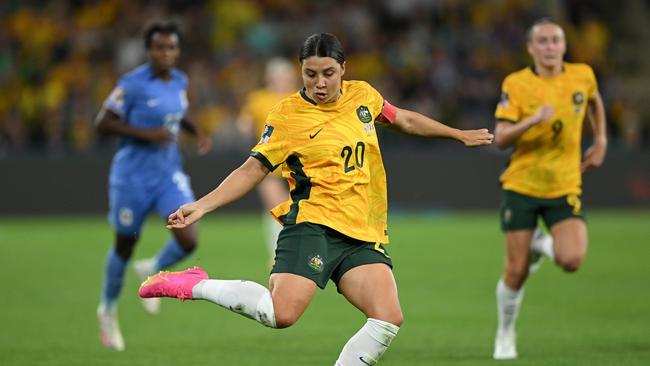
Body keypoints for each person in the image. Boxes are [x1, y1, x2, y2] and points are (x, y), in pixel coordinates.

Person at [139, 33, 493, 365]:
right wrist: (201, 205)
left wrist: (457, 134)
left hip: (361, 231)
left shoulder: (363, 96)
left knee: (387, 319)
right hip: (314, 225)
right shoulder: (287, 116)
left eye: (328, 73)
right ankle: (195, 284)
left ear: (343, 69)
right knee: (281, 315)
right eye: (310, 74)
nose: (319, 83)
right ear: (301, 72)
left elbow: (405, 120)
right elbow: (252, 170)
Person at [492, 18, 607, 360]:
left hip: (563, 183)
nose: (550, 46)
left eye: (555, 40)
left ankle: (541, 245)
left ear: (564, 45)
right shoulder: (517, 83)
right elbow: (500, 138)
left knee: (572, 260)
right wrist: (530, 121)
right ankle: (505, 334)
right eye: (542, 41)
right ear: (530, 48)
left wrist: (600, 139)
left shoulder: (582, 75)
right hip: (522, 184)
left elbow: (595, 101)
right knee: (516, 270)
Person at [95, 22, 212, 351]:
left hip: (167, 174)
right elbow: (102, 122)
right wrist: (149, 135)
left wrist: (194, 131)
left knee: (188, 236)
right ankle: (107, 309)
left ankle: (153, 267)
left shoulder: (179, 80)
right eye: (160, 48)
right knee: (125, 245)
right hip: (131, 177)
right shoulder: (131, 84)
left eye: (172, 48)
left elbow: (175, 116)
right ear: (149, 51)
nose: (167, 53)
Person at [236, 57, 296, 265]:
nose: (283, 80)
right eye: (279, 76)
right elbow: (243, 124)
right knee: (276, 207)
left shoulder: (298, 97)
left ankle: (290, 250)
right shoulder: (258, 98)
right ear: (271, 77)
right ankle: (277, 254)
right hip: (268, 162)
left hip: (296, 163)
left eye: (286, 76)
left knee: (295, 208)